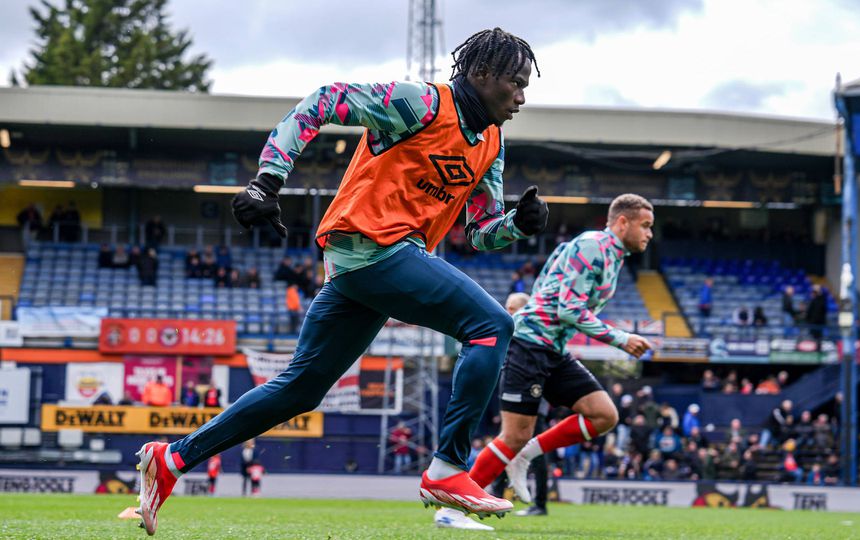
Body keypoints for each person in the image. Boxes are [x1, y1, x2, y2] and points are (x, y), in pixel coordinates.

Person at [135, 28, 547, 535]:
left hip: (368, 266)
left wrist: (518, 226)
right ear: (482, 75)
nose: (522, 97)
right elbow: (323, 101)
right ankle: (447, 469)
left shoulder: (490, 142)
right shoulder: (419, 104)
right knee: (491, 326)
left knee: (299, 390)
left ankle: (171, 459)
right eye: (516, 83)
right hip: (372, 250)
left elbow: (481, 233)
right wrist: (267, 180)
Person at [435, 194, 654, 530]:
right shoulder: (594, 246)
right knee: (512, 435)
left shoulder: (612, 255)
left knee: (603, 414)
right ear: (622, 222)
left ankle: (528, 454)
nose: (649, 234)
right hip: (529, 345)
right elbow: (568, 309)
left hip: (553, 348)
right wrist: (620, 338)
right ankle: (451, 509)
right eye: (645, 225)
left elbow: (554, 290)